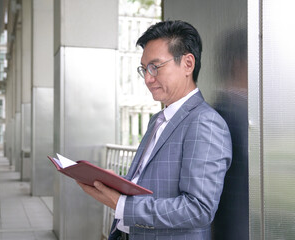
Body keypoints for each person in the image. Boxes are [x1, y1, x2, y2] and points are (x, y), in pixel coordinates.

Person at [77, 20, 232, 240]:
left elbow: (198, 209)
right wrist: (115, 183)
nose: (148, 78)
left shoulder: (205, 123)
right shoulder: (158, 119)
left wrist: (122, 205)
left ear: (188, 64)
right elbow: (155, 182)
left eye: (155, 67)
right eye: (144, 69)